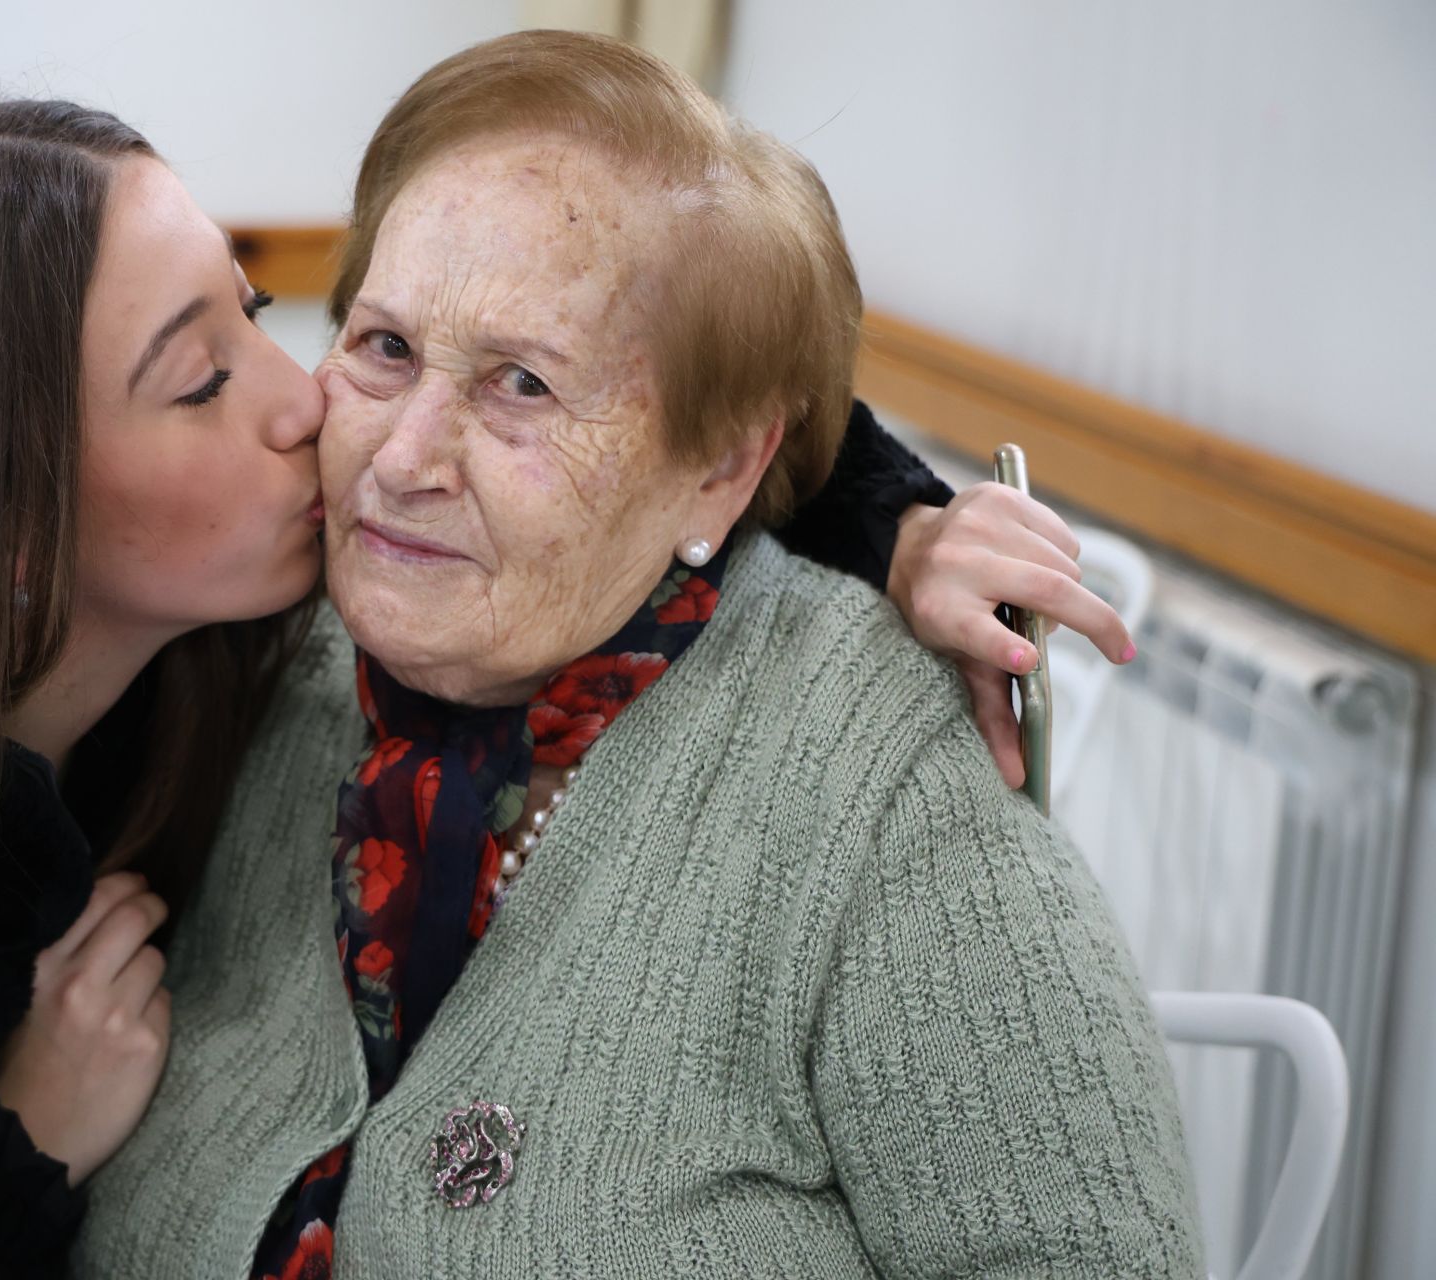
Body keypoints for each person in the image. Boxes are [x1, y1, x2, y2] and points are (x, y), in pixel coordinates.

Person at [0, 96, 1124, 1280]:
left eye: (265, 312)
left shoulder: (258, 639)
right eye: (208, 379)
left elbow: (673, 377)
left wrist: (889, 515)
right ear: (4, 531)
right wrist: (17, 1155)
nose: (321, 413)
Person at [73, 31, 1203, 1279]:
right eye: (386, 347)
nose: (402, 458)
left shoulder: (877, 778)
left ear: (720, 465)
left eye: (521, 384)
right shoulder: (238, 658)